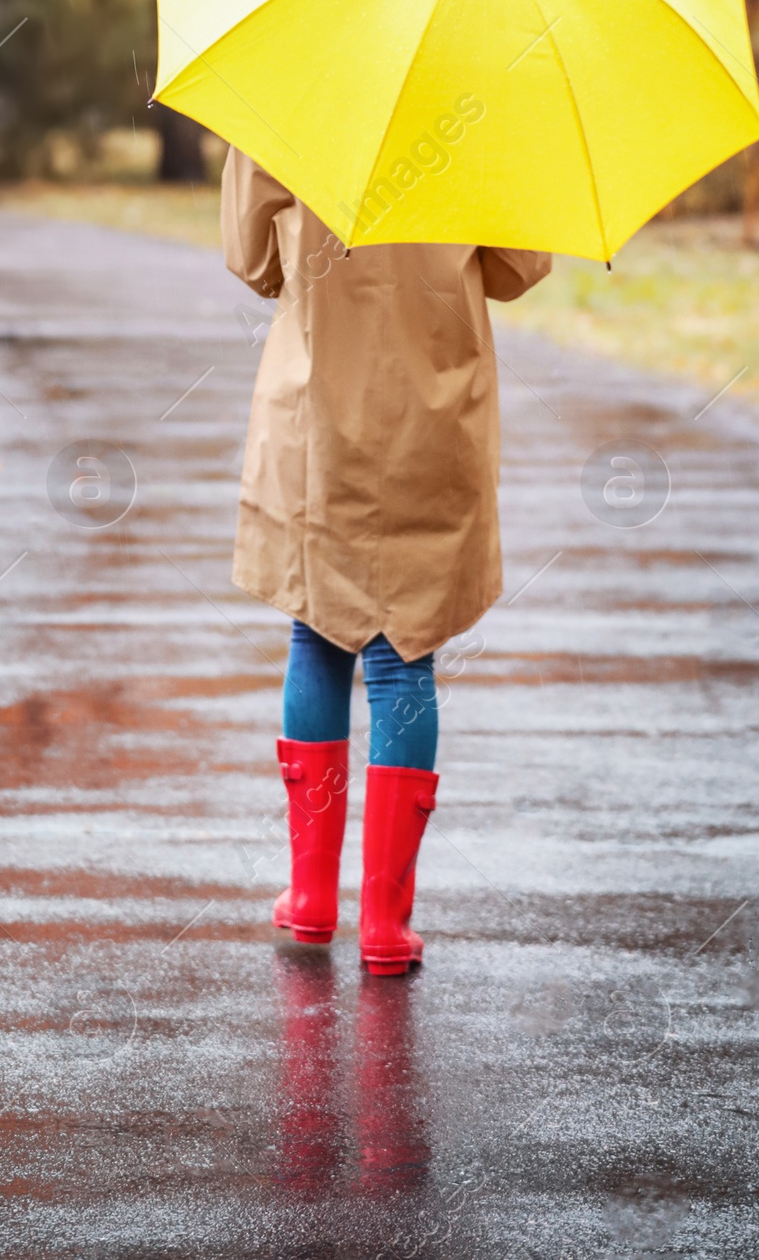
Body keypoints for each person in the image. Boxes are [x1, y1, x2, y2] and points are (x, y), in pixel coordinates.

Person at [222, 145, 551, 975]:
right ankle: (385, 922)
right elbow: (519, 267)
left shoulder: (292, 91)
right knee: (406, 654)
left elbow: (251, 259)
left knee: (317, 631)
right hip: (429, 420)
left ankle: (309, 900)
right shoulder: (485, 92)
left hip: (318, 415)